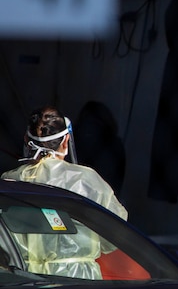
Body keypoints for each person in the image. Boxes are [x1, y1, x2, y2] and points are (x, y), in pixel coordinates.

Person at [1, 106, 127, 279]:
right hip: (77, 281)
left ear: (26, 140)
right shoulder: (86, 180)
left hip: (23, 279)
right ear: (66, 140)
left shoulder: (11, 181)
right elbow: (114, 234)